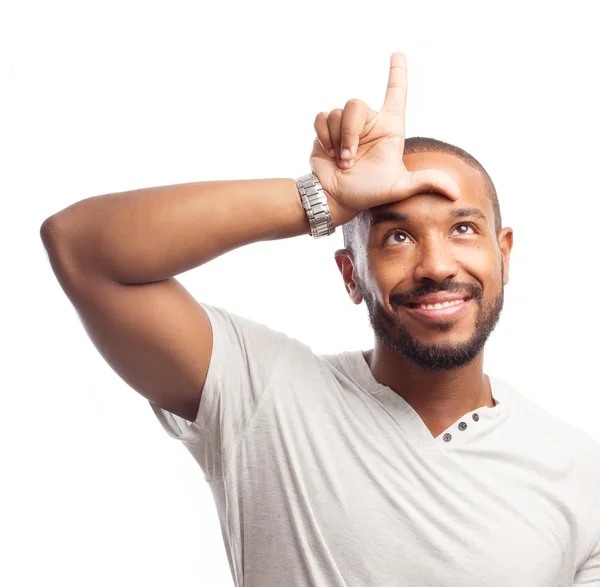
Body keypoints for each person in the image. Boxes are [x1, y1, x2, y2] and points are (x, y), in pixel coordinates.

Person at [41, 52, 600, 586]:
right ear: (350, 274)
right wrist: (324, 197)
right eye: (398, 237)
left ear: (504, 253)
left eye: (462, 229)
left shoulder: (581, 478)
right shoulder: (263, 395)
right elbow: (83, 249)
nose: (435, 266)